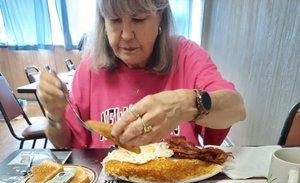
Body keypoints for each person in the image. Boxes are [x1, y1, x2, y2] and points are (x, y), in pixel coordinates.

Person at [37, 0, 246, 150]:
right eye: (115, 20)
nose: (126, 35)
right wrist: (54, 117)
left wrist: (187, 104)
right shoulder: (90, 68)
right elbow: (63, 142)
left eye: (138, 19)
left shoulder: (186, 55)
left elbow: (236, 108)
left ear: (160, 20)